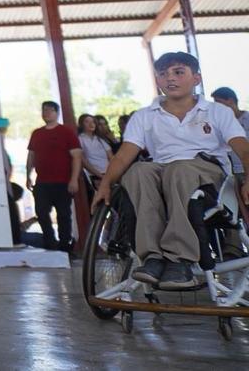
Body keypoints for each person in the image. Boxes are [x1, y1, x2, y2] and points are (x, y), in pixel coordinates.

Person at [93, 53, 249, 290]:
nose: (170, 79)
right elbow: (124, 154)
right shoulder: (145, 115)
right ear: (158, 81)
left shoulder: (217, 112)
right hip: (163, 172)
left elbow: (242, 148)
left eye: (178, 72)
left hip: (208, 174)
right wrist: (105, 184)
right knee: (137, 172)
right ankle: (153, 257)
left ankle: (179, 258)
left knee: (179, 169)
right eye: (163, 74)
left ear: (196, 78)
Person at [26, 101, 83, 253]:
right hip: (42, 182)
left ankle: (65, 245)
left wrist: (73, 179)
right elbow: (31, 155)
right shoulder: (37, 133)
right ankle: (50, 242)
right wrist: (28, 175)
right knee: (42, 212)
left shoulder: (66, 132)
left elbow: (77, 156)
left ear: (57, 112)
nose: (46, 112)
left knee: (64, 214)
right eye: (43, 110)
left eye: (50, 110)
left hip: (63, 182)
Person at [209, 86, 249, 222]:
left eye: (219, 102)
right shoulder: (219, 124)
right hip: (230, 173)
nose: (216, 106)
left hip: (246, 169)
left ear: (231, 101)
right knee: (238, 212)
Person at [77, 113, 113, 181]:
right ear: (81, 124)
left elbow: (111, 157)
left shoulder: (100, 139)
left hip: (108, 174)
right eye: (87, 122)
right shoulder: (80, 139)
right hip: (93, 176)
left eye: (93, 122)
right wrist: (99, 175)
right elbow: (83, 161)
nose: (91, 124)